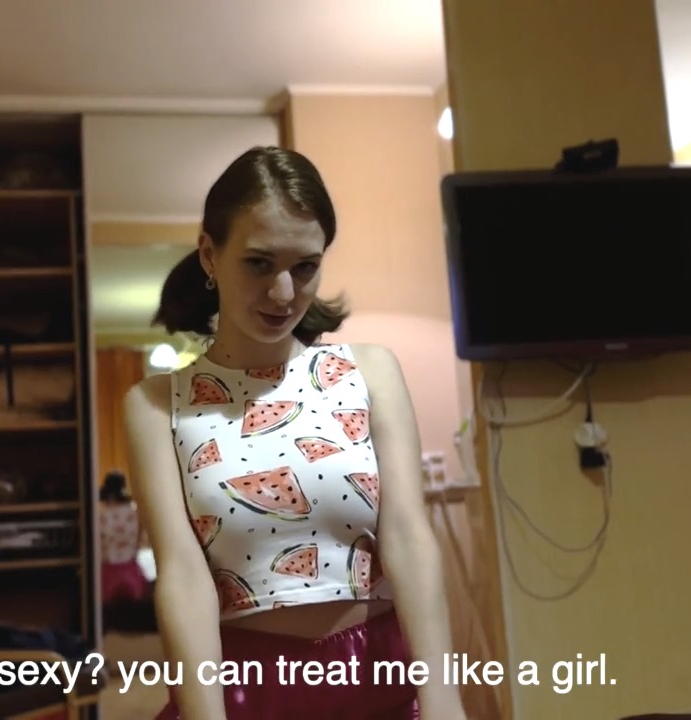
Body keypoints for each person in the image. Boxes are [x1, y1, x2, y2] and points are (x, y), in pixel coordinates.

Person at [122, 146, 467, 720]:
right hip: (242, 691)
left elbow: (408, 535)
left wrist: (443, 697)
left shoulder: (369, 371)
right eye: (259, 263)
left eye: (305, 267)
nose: (284, 293)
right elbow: (182, 576)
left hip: (376, 680)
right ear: (209, 255)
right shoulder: (157, 404)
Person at [98, 471, 149, 607]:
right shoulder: (134, 514)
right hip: (131, 569)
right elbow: (141, 540)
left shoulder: (103, 516)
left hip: (108, 571)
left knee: (108, 612)